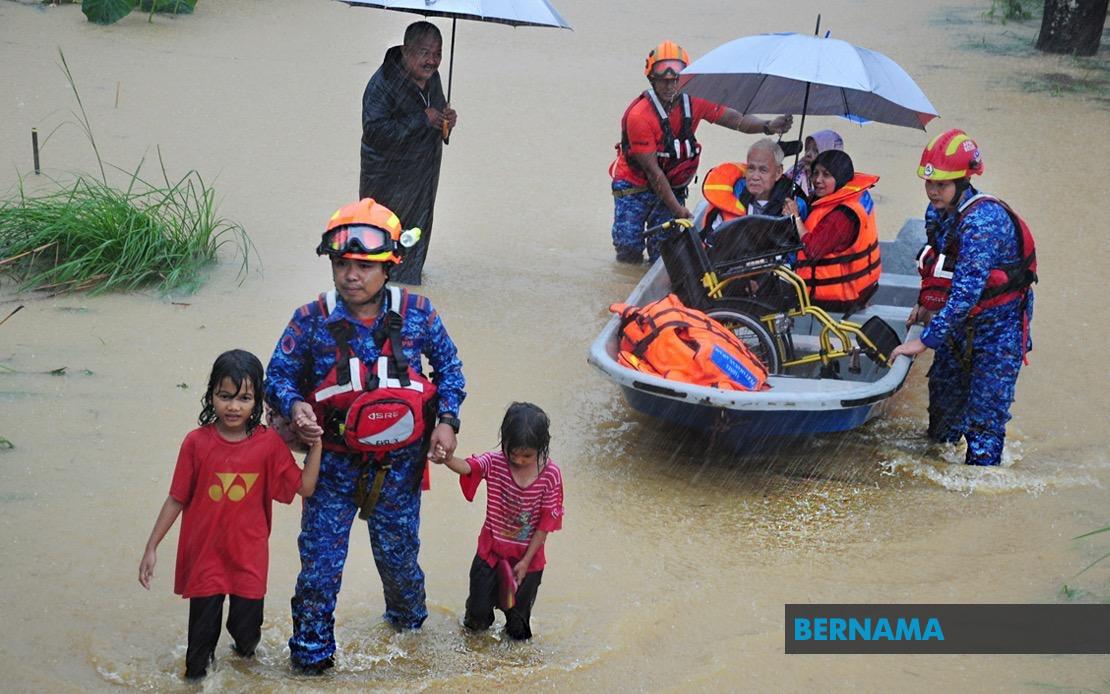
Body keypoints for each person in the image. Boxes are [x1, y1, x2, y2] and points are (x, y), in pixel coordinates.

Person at [265, 198, 466, 672]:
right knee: (318, 574)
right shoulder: (310, 319)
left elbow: (451, 369)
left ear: (389, 266)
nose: (350, 274)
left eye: (362, 265)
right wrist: (295, 407)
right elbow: (277, 376)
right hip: (330, 467)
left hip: (399, 469)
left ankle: (411, 657)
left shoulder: (419, 313)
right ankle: (310, 667)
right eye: (341, 264)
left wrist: (447, 421)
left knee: (400, 572)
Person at [138, 349, 322, 681]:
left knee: (247, 641)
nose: (233, 406)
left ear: (257, 402)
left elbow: (304, 488)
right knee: (197, 660)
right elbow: (176, 499)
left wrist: (318, 444)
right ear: (211, 395)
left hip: (248, 561)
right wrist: (152, 546)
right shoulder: (195, 443)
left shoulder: (268, 445)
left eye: (244, 398)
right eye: (225, 396)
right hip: (206, 558)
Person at [890, 129, 1036, 467]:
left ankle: (976, 495)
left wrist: (924, 341)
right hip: (960, 326)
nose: (933, 191)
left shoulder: (982, 223)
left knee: (984, 421)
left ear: (963, 181)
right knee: (942, 411)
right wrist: (926, 303)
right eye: (929, 184)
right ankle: (937, 476)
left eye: (941, 185)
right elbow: (939, 267)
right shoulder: (936, 214)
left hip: (999, 330)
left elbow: (967, 291)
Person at [609, 40, 793, 264]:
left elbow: (735, 120)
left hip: (672, 184)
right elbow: (653, 172)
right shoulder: (640, 116)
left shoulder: (694, 100)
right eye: (664, 81)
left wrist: (768, 125)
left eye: (676, 80)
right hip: (635, 185)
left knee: (663, 249)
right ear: (652, 80)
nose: (670, 86)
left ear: (685, 79)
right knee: (628, 246)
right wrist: (679, 210)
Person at [431, 402, 564, 641]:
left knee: (518, 626)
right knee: (476, 619)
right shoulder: (495, 462)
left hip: (528, 561)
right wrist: (447, 459)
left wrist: (524, 562)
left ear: (541, 448)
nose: (519, 460)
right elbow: (468, 467)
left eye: (527, 455)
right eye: (513, 452)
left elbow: (545, 526)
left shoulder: (550, 475)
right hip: (490, 555)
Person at [360, 21, 457, 285]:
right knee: (383, 245)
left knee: (415, 241)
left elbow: (436, 122)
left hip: (423, 178)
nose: (432, 61)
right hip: (389, 182)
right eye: (425, 52)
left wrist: (446, 122)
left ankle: (410, 294)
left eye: (437, 53)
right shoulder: (381, 85)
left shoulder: (433, 78)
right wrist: (420, 119)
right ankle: (382, 303)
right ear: (405, 50)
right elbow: (375, 132)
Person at [783, 150, 881, 313]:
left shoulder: (841, 215)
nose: (817, 180)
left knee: (768, 292)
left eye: (826, 175)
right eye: (815, 173)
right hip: (860, 289)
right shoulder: (847, 197)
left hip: (836, 299)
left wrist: (796, 217)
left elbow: (812, 250)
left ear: (840, 177)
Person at [700, 138, 810, 234]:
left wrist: (794, 218)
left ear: (778, 172)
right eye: (751, 168)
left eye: (763, 170)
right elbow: (711, 241)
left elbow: (798, 249)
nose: (755, 177)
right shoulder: (730, 195)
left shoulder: (796, 205)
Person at [784, 129, 844, 197]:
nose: (808, 154)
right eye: (807, 149)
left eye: (816, 151)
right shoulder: (796, 172)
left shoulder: (839, 189)